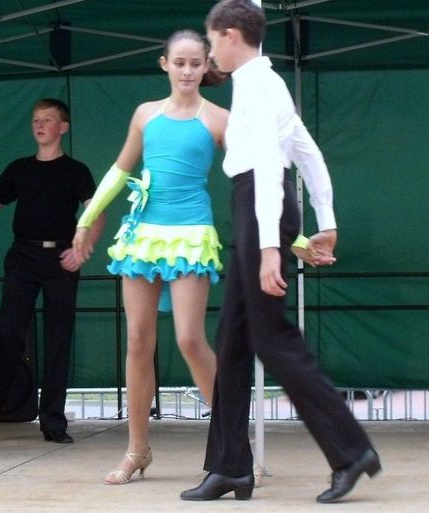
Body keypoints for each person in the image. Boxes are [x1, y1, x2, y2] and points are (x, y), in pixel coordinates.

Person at [180, 0, 381, 504]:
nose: (209, 52)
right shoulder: (265, 83)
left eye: (211, 40)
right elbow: (308, 152)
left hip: (260, 207)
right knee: (231, 340)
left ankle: (351, 451)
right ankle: (230, 467)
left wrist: (270, 248)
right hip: (260, 206)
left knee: (273, 338)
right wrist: (326, 220)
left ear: (230, 35)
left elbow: (271, 164)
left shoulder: (255, 85)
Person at [72, 29, 229, 485]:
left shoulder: (219, 119)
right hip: (142, 235)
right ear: (164, 64)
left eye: (195, 63)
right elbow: (120, 169)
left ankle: (233, 445)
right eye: (179, 62)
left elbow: (251, 179)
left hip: (191, 235)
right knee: (138, 341)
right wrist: (86, 220)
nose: (187, 71)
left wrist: (291, 236)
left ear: (206, 66)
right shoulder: (145, 114)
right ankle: (137, 449)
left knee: (189, 339)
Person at [0, 98, 104, 444]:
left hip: (62, 258)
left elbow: (96, 214)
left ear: (62, 127)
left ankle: (53, 422)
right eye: (36, 120)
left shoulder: (76, 171)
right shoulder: (19, 168)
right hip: (23, 256)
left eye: (47, 120)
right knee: (8, 333)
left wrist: (81, 249)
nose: (39, 125)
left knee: (58, 338)